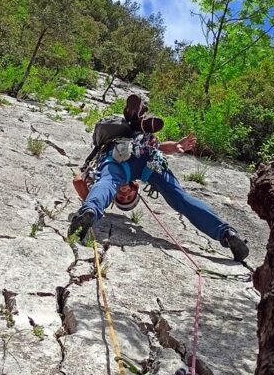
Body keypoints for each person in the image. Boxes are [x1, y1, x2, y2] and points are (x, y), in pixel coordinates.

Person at [68, 95, 249, 261]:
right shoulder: (127, 177)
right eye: (128, 198)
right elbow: (161, 147)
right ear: (136, 189)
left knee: (106, 182)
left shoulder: (111, 180)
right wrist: (177, 145)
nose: (124, 194)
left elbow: (80, 181)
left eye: (121, 198)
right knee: (180, 198)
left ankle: (135, 122)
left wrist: (91, 207)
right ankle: (227, 234)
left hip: (119, 154)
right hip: (147, 160)